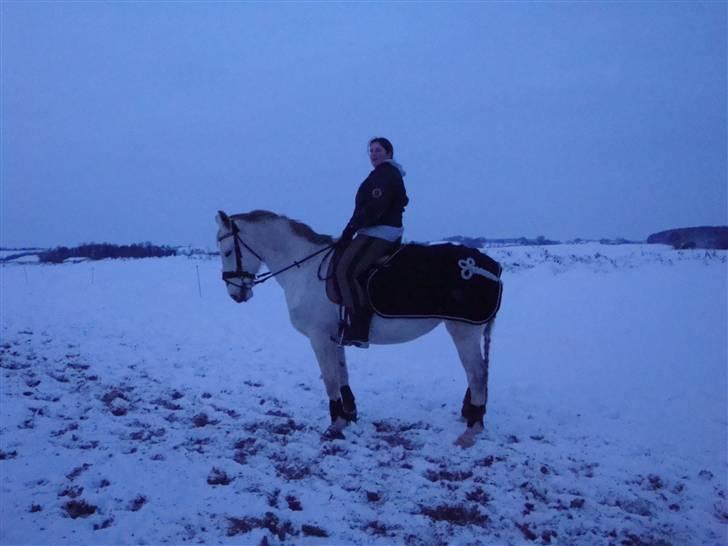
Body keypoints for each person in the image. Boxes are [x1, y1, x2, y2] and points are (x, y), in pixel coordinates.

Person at [335, 137, 408, 348]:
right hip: (374, 230)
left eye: (378, 150)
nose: (373, 154)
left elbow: (374, 209)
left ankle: (358, 326)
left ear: (389, 153)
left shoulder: (385, 175)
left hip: (379, 232)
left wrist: (349, 231)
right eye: (371, 151)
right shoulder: (380, 174)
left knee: (345, 271)